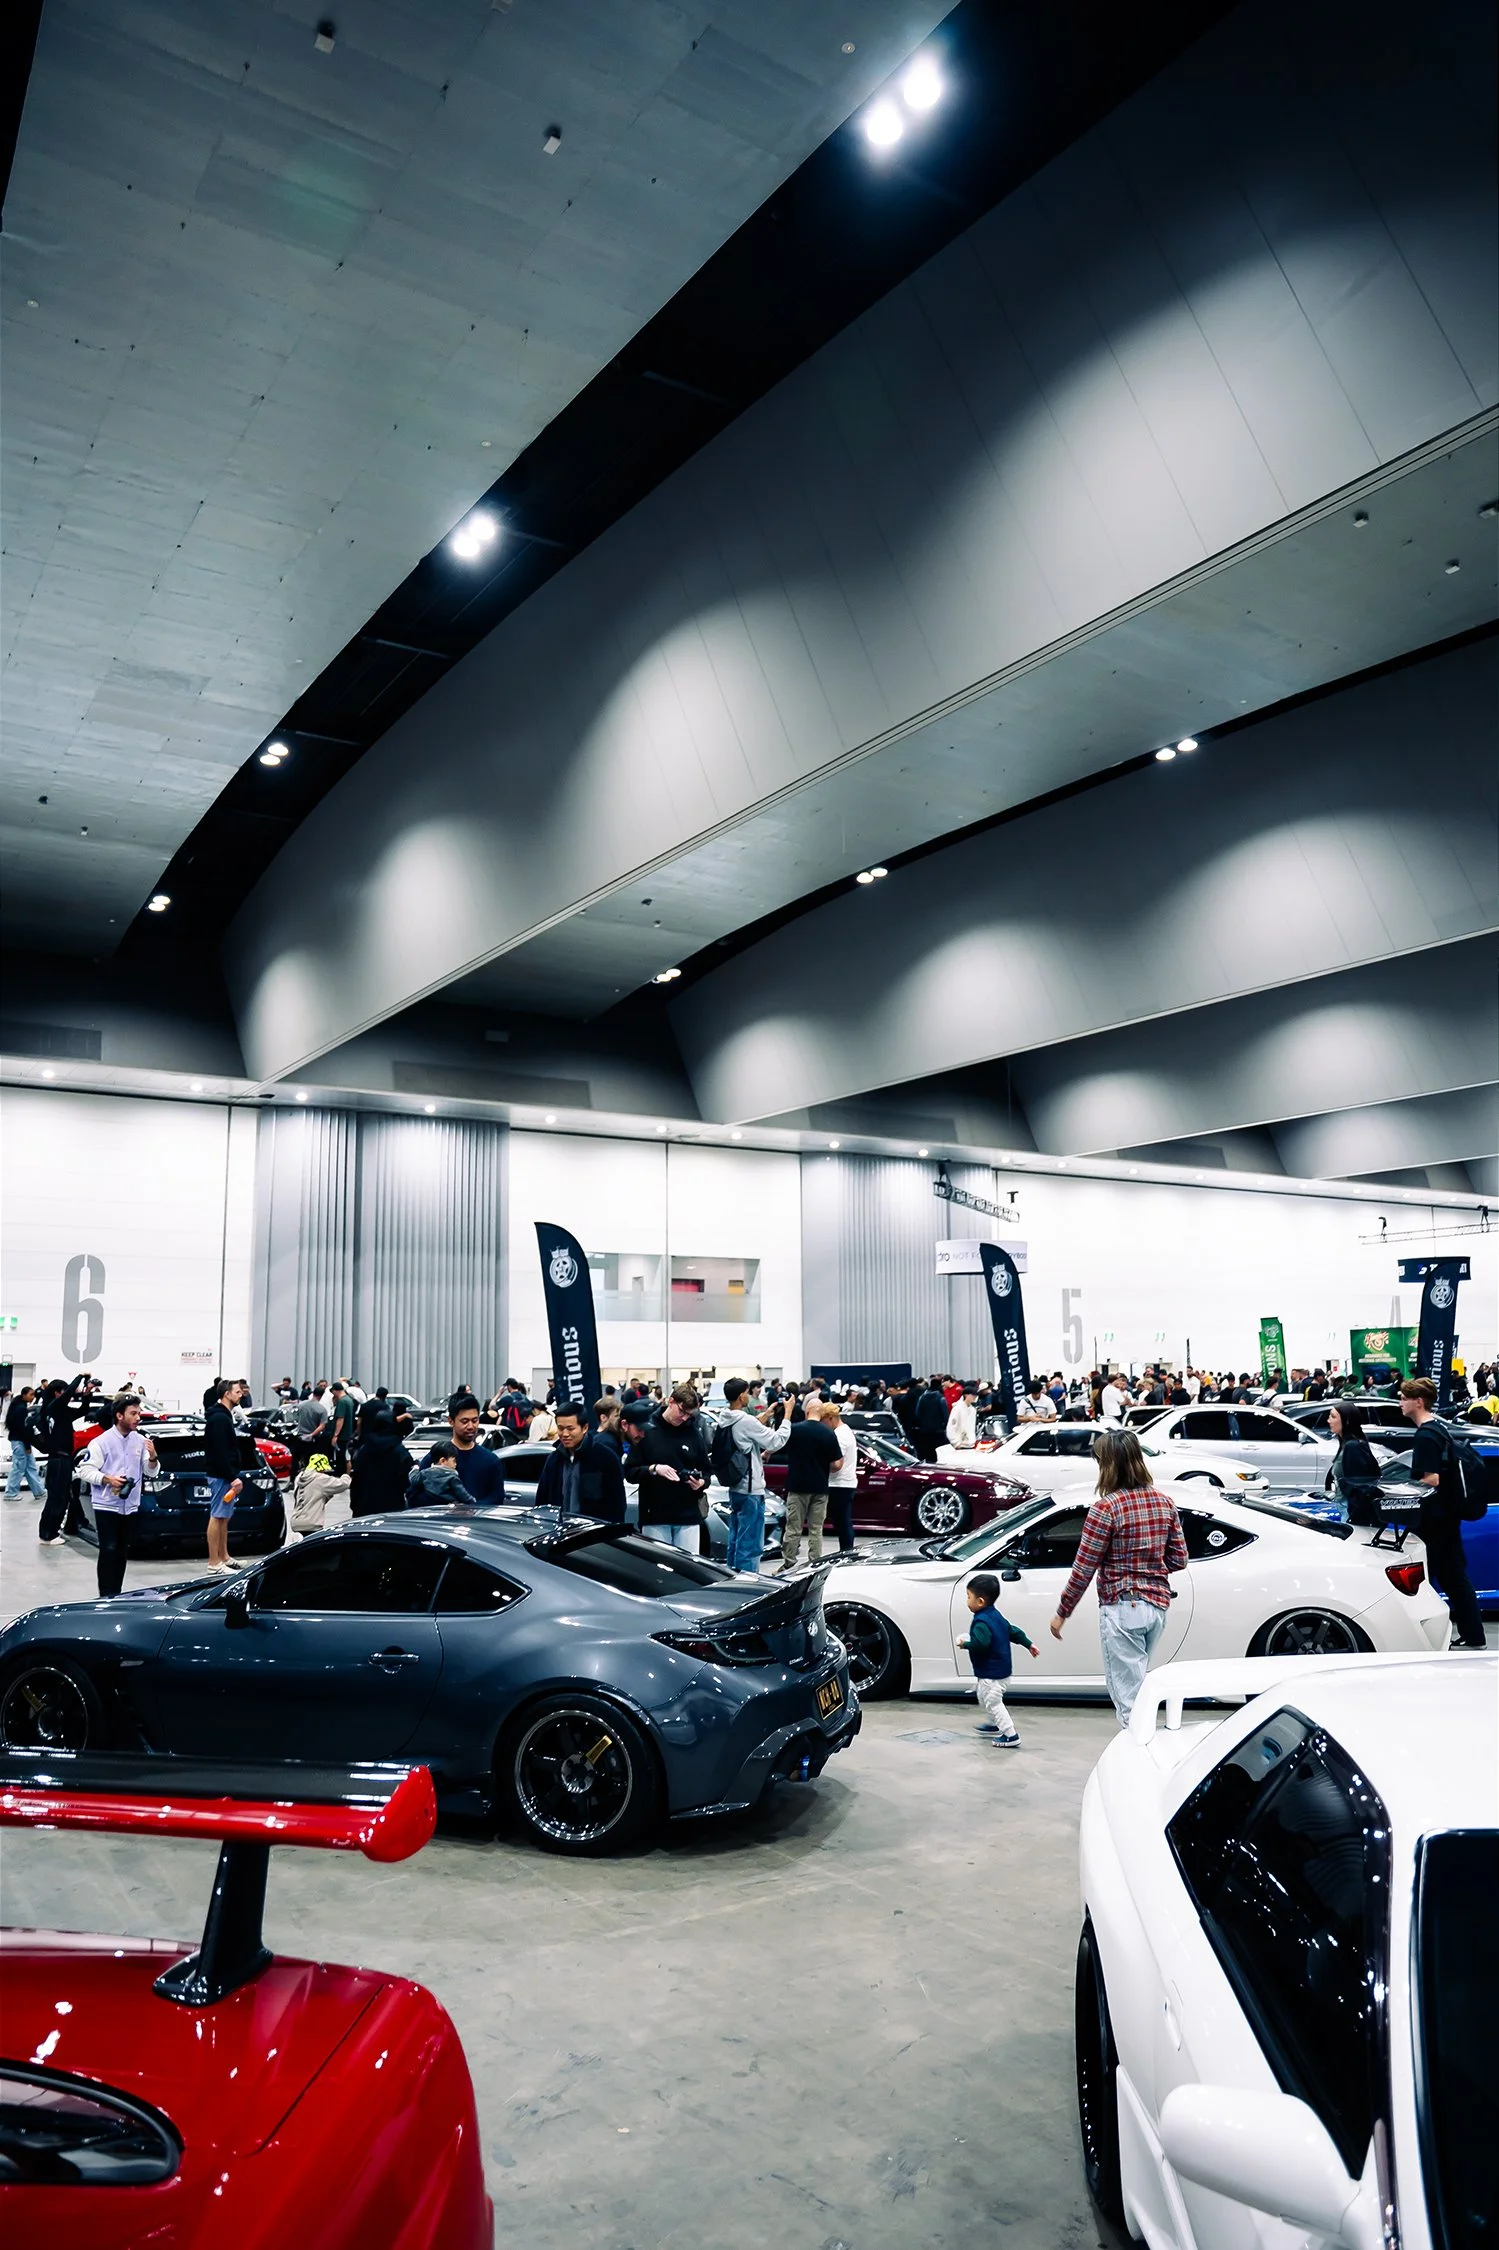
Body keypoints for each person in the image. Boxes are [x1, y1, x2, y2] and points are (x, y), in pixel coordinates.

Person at [1049, 1428, 1188, 1728]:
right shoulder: (1164, 1502)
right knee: (1138, 1692)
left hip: (1123, 1609)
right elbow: (1180, 1559)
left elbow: (1084, 1568)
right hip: (1157, 1610)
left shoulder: (1106, 1508)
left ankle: (1140, 1767)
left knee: (1130, 1705)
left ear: (1106, 1466)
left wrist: (1062, 1613)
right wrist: (1148, 1562)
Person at [1401, 1378, 1486, 1649]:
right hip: (1448, 1515)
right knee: (1454, 1578)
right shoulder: (1440, 1429)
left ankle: (1421, 1639)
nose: (1400, 1403)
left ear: (1418, 1401)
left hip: (1433, 1520)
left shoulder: (1426, 1434)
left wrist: (1404, 1488)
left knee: (1422, 1582)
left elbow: (1432, 1479)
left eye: (1404, 1398)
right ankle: (1474, 1638)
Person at [75, 1394, 157, 1596]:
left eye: (139, 1413)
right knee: (109, 1549)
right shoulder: (101, 1442)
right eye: (133, 1413)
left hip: (130, 1506)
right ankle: (105, 1594)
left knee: (121, 1552)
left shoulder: (141, 1441)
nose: (138, 1417)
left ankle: (116, 1594)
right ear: (119, 1416)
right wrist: (106, 1479)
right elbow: (84, 1470)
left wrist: (154, 1457)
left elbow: (150, 1471)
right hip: (107, 1505)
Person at [624, 1384, 711, 1549]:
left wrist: (701, 1483)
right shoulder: (647, 1429)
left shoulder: (692, 1432)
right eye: (682, 1411)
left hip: (688, 1515)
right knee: (659, 1569)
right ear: (671, 1401)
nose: (685, 1418)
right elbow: (630, 1471)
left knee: (689, 1569)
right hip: (655, 1516)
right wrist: (654, 1469)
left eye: (690, 1414)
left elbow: (706, 1469)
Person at [958, 1572, 1039, 1746]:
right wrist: (1028, 1643)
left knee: (993, 1702)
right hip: (1001, 1670)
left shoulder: (981, 1622)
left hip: (991, 1673)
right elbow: (1013, 1631)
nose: (967, 1600)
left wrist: (965, 1644)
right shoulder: (996, 1616)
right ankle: (995, 1724)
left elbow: (982, 1643)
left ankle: (1010, 1735)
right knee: (984, 1696)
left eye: (968, 1596)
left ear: (980, 1601)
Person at [717, 1376, 780, 1571]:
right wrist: (786, 1417)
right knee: (750, 1545)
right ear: (740, 1396)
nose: (749, 1396)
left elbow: (750, 1428)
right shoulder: (744, 1420)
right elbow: (776, 1441)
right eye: (746, 1392)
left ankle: (733, 1582)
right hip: (751, 1490)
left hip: (736, 1487)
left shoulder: (726, 1417)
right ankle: (750, 1585)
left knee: (736, 1541)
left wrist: (767, 1414)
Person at [774, 1400, 841, 1571]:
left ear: (807, 1411)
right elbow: (835, 1465)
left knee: (793, 1528)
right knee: (816, 1529)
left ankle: (789, 1563)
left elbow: (778, 1447)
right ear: (820, 1412)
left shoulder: (795, 1430)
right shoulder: (829, 1433)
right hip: (820, 1488)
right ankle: (815, 1565)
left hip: (797, 1486)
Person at [536, 1402, 627, 1520]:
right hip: (559, 1532)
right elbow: (542, 1499)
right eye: (560, 1428)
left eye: (570, 1429)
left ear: (584, 1428)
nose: (565, 1434)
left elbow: (617, 1504)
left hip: (593, 1533)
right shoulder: (554, 1459)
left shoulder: (605, 1458)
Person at [415, 1392, 507, 1504]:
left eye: (475, 1420)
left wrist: (471, 1510)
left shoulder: (490, 1460)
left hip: (478, 1520)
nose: (471, 1426)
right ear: (451, 1421)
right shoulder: (435, 1458)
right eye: (464, 1421)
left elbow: (497, 1497)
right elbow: (414, 1495)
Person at [36, 1375, 89, 1544]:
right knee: (58, 1498)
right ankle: (48, 1534)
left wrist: (87, 1394)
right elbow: (68, 1395)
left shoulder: (60, 1411)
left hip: (62, 1459)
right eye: (64, 1391)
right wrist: (80, 1377)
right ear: (57, 1393)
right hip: (59, 1459)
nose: (69, 1394)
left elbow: (83, 1411)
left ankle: (48, 1532)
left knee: (60, 1497)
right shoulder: (54, 1407)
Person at [203, 1377, 245, 1574]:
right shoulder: (219, 1418)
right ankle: (214, 1563)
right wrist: (232, 1476)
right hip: (221, 1475)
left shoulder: (224, 1416)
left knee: (224, 1517)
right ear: (227, 1394)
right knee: (217, 1516)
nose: (241, 1394)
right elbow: (220, 1451)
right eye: (237, 1392)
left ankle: (224, 1557)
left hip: (225, 1475)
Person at [350, 1409, 418, 1517]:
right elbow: (405, 1482)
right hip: (392, 1507)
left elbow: (356, 1479)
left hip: (364, 1507)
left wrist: (354, 1504)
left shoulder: (364, 1450)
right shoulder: (400, 1451)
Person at [1325, 1401, 1382, 1525]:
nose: (1329, 1420)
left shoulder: (1353, 1446)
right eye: (1330, 1416)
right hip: (1344, 1509)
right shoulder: (1347, 1444)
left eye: (1333, 1417)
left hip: (1351, 1513)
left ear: (1347, 1421)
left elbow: (1360, 1486)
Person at [822, 1398, 859, 1556]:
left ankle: (847, 1553)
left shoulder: (839, 1435)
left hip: (839, 1484)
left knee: (843, 1522)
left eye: (823, 1421)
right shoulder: (845, 1430)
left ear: (830, 1418)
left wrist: (819, 1463)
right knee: (842, 1522)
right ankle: (846, 1551)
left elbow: (837, 1465)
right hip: (844, 1483)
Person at [287, 1450, 349, 1540]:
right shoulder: (320, 1478)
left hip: (296, 1522)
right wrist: (346, 1475)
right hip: (311, 1524)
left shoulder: (300, 1477)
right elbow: (343, 1484)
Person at [5, 1385, 44, 1500]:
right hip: (20, 1442)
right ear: (24, 1395)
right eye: (31, 1395)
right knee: (18, 1467)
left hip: (20, 1441)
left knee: (30, 1466)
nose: (33, 1397)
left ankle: (39, 1491)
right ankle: (10, 1493)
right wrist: (27, 1445)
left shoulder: (19, 1407)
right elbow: (23, 1429)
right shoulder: (21, 1409)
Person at [407, 1439, 471, 1508]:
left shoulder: (425, 1472)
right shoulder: (451, 1476)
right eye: (454, 1461)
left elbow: (414, 1480)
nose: (455, 1464)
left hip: (429, 1504)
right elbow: (461, 1492)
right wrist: (471, 1500)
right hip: (447, 1504)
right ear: (443, 1460)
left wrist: (415, 1468)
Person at [291, 1381, 329, 1474]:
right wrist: (311, 1434)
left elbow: (295, 1416)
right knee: (310, 1461)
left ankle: (292, 1480)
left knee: (295, 1460)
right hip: (311, 1439)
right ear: (322, 1395)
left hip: (299, 1436)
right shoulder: (322, 1409)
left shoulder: (302, 1405)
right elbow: (322, 1426)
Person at [326, 1380, 356, 1471]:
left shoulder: (342, 1402)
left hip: (342, 1436)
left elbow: (340, 1419)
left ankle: (341, 1476)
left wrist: (335, 1435)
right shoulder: (349, 1400)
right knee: (347, 1457)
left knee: (340, 1458)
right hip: (348, 1433)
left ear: (335, 1390)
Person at [946, 1384, 978, 1450]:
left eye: (976, 1395)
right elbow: (951, 1427)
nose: (974, 1397)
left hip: (971, 1444)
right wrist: (956, 1443)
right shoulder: (957, 1408)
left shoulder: (973, 1410)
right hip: (960, 1445)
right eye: (973, 1395)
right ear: (966, 1395)